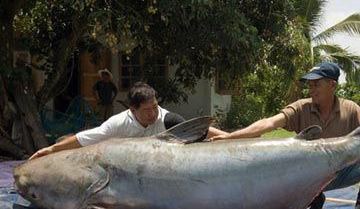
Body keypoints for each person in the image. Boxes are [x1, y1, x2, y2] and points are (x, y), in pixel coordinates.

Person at [211, 62, 360, 209]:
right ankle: (312, 201)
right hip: (307, 177)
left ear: (332, 85)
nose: (311, 89)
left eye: (316, 84)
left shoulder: (351, 109)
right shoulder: (301, 108)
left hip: (341, 172)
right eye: (309, 85)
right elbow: (269, 122)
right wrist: (229, 137)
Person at [30, 82, 227, 160]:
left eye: (155, 107)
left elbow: (201, 130)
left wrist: (232, 137)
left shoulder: (167, 119)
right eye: (147, 110)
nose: (153, 113)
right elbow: (83, 139)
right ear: (132, 110)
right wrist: (49, 150)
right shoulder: (117, 124)